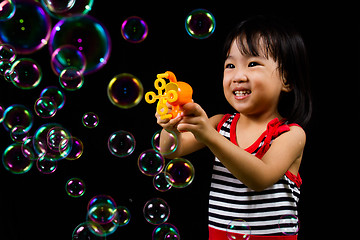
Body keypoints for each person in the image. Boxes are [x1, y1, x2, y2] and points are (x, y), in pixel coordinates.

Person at [155, 15, 312, 240]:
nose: (238, 76)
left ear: (286, 79)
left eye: (253, 64)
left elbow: (260, 178)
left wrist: (210, 136)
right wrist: (169, 125)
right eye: (230, 65)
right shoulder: (220, 124)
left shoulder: (290, 134)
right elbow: (170, 149)